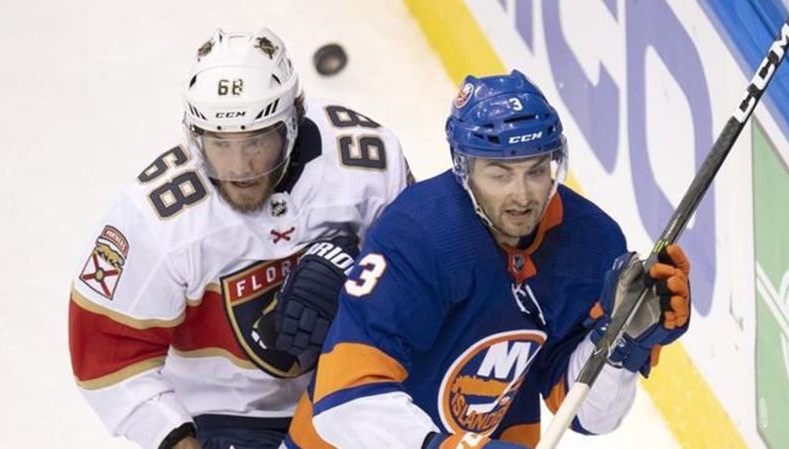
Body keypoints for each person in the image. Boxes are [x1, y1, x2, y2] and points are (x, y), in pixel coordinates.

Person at [282, 70, 691, 449]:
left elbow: (587, 414)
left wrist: (619, 341)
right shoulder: (418, 233)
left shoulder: (591, 243)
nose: (522, 196)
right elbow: (343, 401)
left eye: (536, 171)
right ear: (464, 169)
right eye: (500, 174)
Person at [68, 28, 411, 449]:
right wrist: (175, 437)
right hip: (227, 417)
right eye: (219, 144)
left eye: (256, 142)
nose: (238, 167)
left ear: (292, 120)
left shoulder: (368, 165)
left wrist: (357, 266)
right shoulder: (155, 218)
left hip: (351, 387)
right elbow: (106, 358)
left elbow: (420, 278)